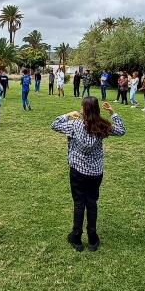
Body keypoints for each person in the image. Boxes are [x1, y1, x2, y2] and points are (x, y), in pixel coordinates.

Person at [51, 97, 125, 251]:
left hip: (78, 170)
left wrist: (67, 114)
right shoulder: (102, 125)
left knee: (79, 203)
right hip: (95, 172)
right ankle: (92, 237)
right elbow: (121, 130)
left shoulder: (74, 125)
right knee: (91, 203)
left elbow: (55, 124)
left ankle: (76, 237)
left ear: (84, 109)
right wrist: (113, 113)